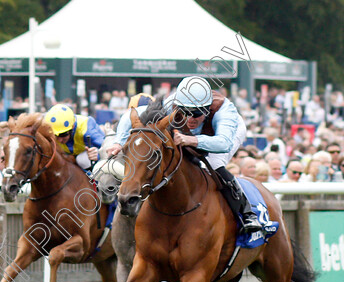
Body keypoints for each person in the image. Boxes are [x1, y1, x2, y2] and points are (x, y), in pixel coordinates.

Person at [113, 76, 262, 234]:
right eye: (185, 113)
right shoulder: (171, 104)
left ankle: (246, 213)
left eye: (196, 113)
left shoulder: (224, 111)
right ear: (178, 106)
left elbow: (223, 144)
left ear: (206, 109)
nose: (190, 119)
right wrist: (119, 142)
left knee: (213, 164)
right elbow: (132, 114)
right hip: (189, 134)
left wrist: (191, 139)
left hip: (223, 135)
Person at [42, 104, 104, 171]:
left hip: (87, 157)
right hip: (69, 156)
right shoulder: (47, 131)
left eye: (63, 134)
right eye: (55, 135)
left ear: (73, 127)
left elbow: (108, 148)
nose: (59, 140)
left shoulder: (86, 129)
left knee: (82, 160)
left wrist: (98, 154)